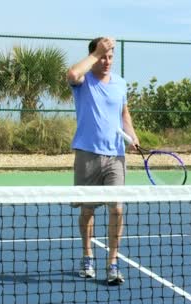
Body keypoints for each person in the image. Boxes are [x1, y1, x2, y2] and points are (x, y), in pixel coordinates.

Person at [67, 36, 139, 285]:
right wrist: (96, 53)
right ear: (95, 56)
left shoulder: (120, 83)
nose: (107, 61)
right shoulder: (83, 80)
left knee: (117, 208)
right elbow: (72, 73)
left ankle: (113, 262)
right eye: (103, 56)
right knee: (88, 209)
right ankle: (87, 256)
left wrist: (132, 135)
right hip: (87, 153)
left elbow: (123, 113)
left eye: (110, 57)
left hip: (116, 155)